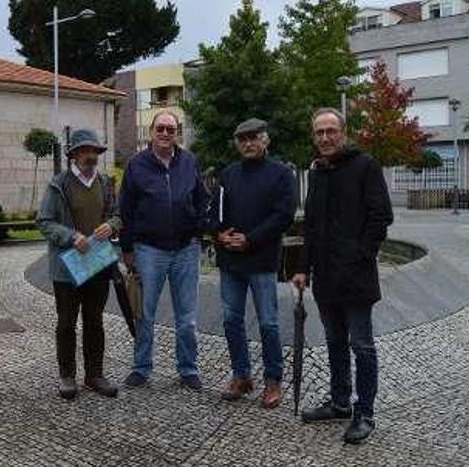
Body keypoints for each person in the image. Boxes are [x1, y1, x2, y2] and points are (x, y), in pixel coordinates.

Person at [292, 108, 393, 444]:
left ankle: (364, 413)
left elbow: (381, 217)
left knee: (361, 345)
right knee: (335, 342)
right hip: (326, 280)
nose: (324, 137)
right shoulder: (318, 172)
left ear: (343, 131)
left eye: (330, 130)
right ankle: (339, 403)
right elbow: (311, 227)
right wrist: (302, 268)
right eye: (319, 132)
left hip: (357, 277)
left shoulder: (366, 166)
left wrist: (360, 255)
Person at [118, 111, 210, 390]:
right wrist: (127, 249)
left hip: (185, 249)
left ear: (177, 133)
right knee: (144, 313)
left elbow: (202, 199)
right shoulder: (136, 165)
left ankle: (188, 369)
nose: (166, 134)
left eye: (171, 129)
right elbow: (126, 209)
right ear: (151, 131)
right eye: (161, 128)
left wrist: (198, 233)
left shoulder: (189, 161)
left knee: (187, 318)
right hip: (149, 249)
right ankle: (141, 367)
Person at [211, 118, 296, 408]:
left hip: (261, 260)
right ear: (237, 144)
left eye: (254, 138)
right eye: (242, 139)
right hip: (230, 261)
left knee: (269, 323)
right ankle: (242, 375)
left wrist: (250, 239)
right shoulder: (228, 174)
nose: (248, 143)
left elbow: (283, 215)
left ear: (265, 140)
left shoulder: (281, 174)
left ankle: (273, 380)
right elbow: (216, 210)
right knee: (231, 320)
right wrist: (219, 233)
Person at [36, 128, 121, 400]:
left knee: (95, 321)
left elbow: (118, 216)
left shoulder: (106, 183)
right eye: (84, 150)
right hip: (67, 269)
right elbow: (44, 222)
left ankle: (94, 375)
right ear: (73, 155)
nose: (90, 155)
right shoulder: (58, 185)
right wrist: (71, 237)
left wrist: (112, 225)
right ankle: (67, 376)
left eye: (94, 151)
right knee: (66, 323)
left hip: (97, 263)